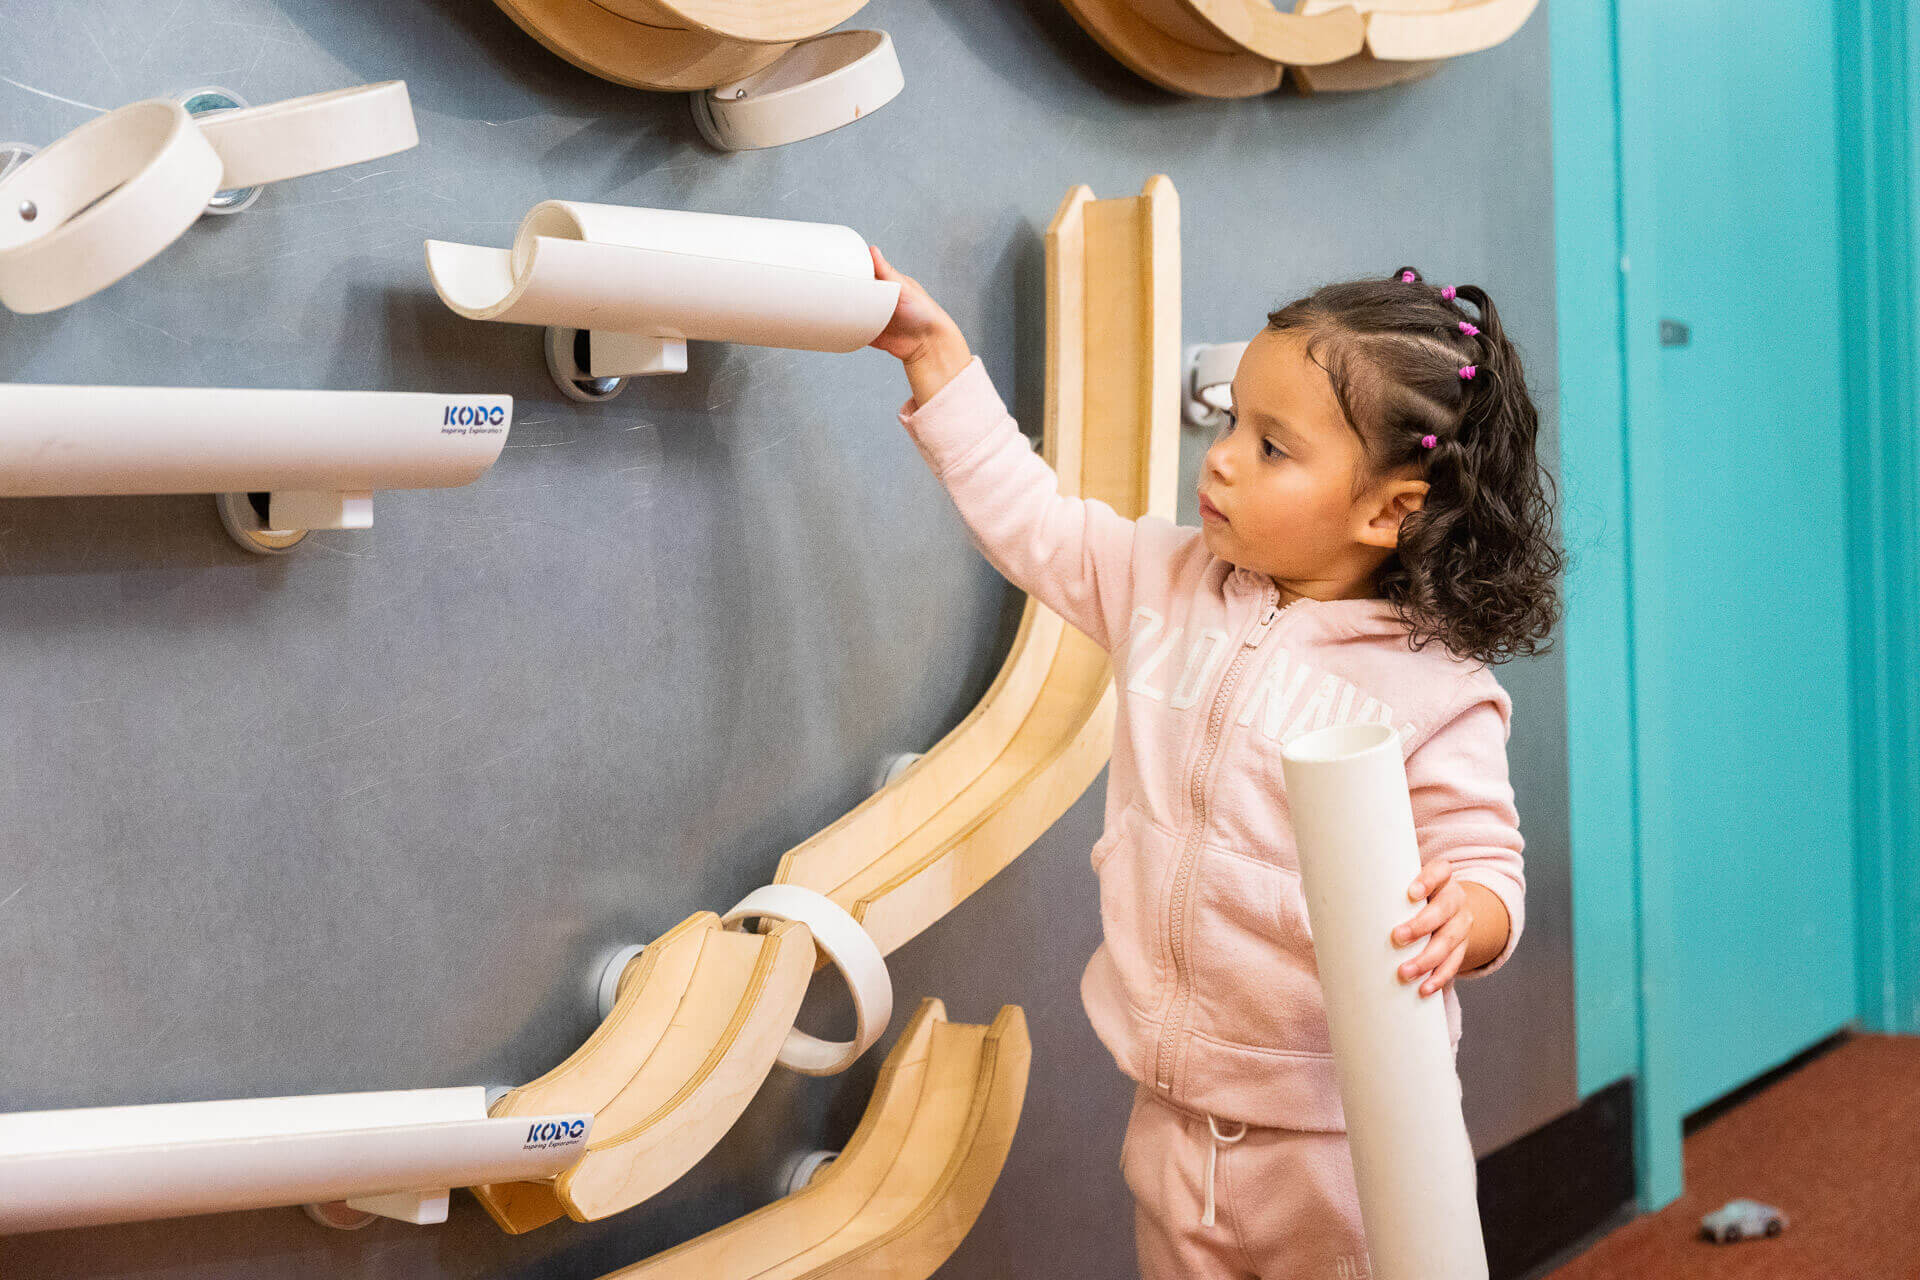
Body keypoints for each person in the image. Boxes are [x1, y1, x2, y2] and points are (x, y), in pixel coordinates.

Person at [868, 247, 1560, 1280]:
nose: (1223, 458)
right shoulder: (1166, 581)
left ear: (1388, 510)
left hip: (1341, 1143)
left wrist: (1465, 913)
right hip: (1173, 1116)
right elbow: (1034, 520)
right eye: (1231, 419)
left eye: (1273, 446)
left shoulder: (1434, 684)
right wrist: (936, 357)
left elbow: (1488, 862)